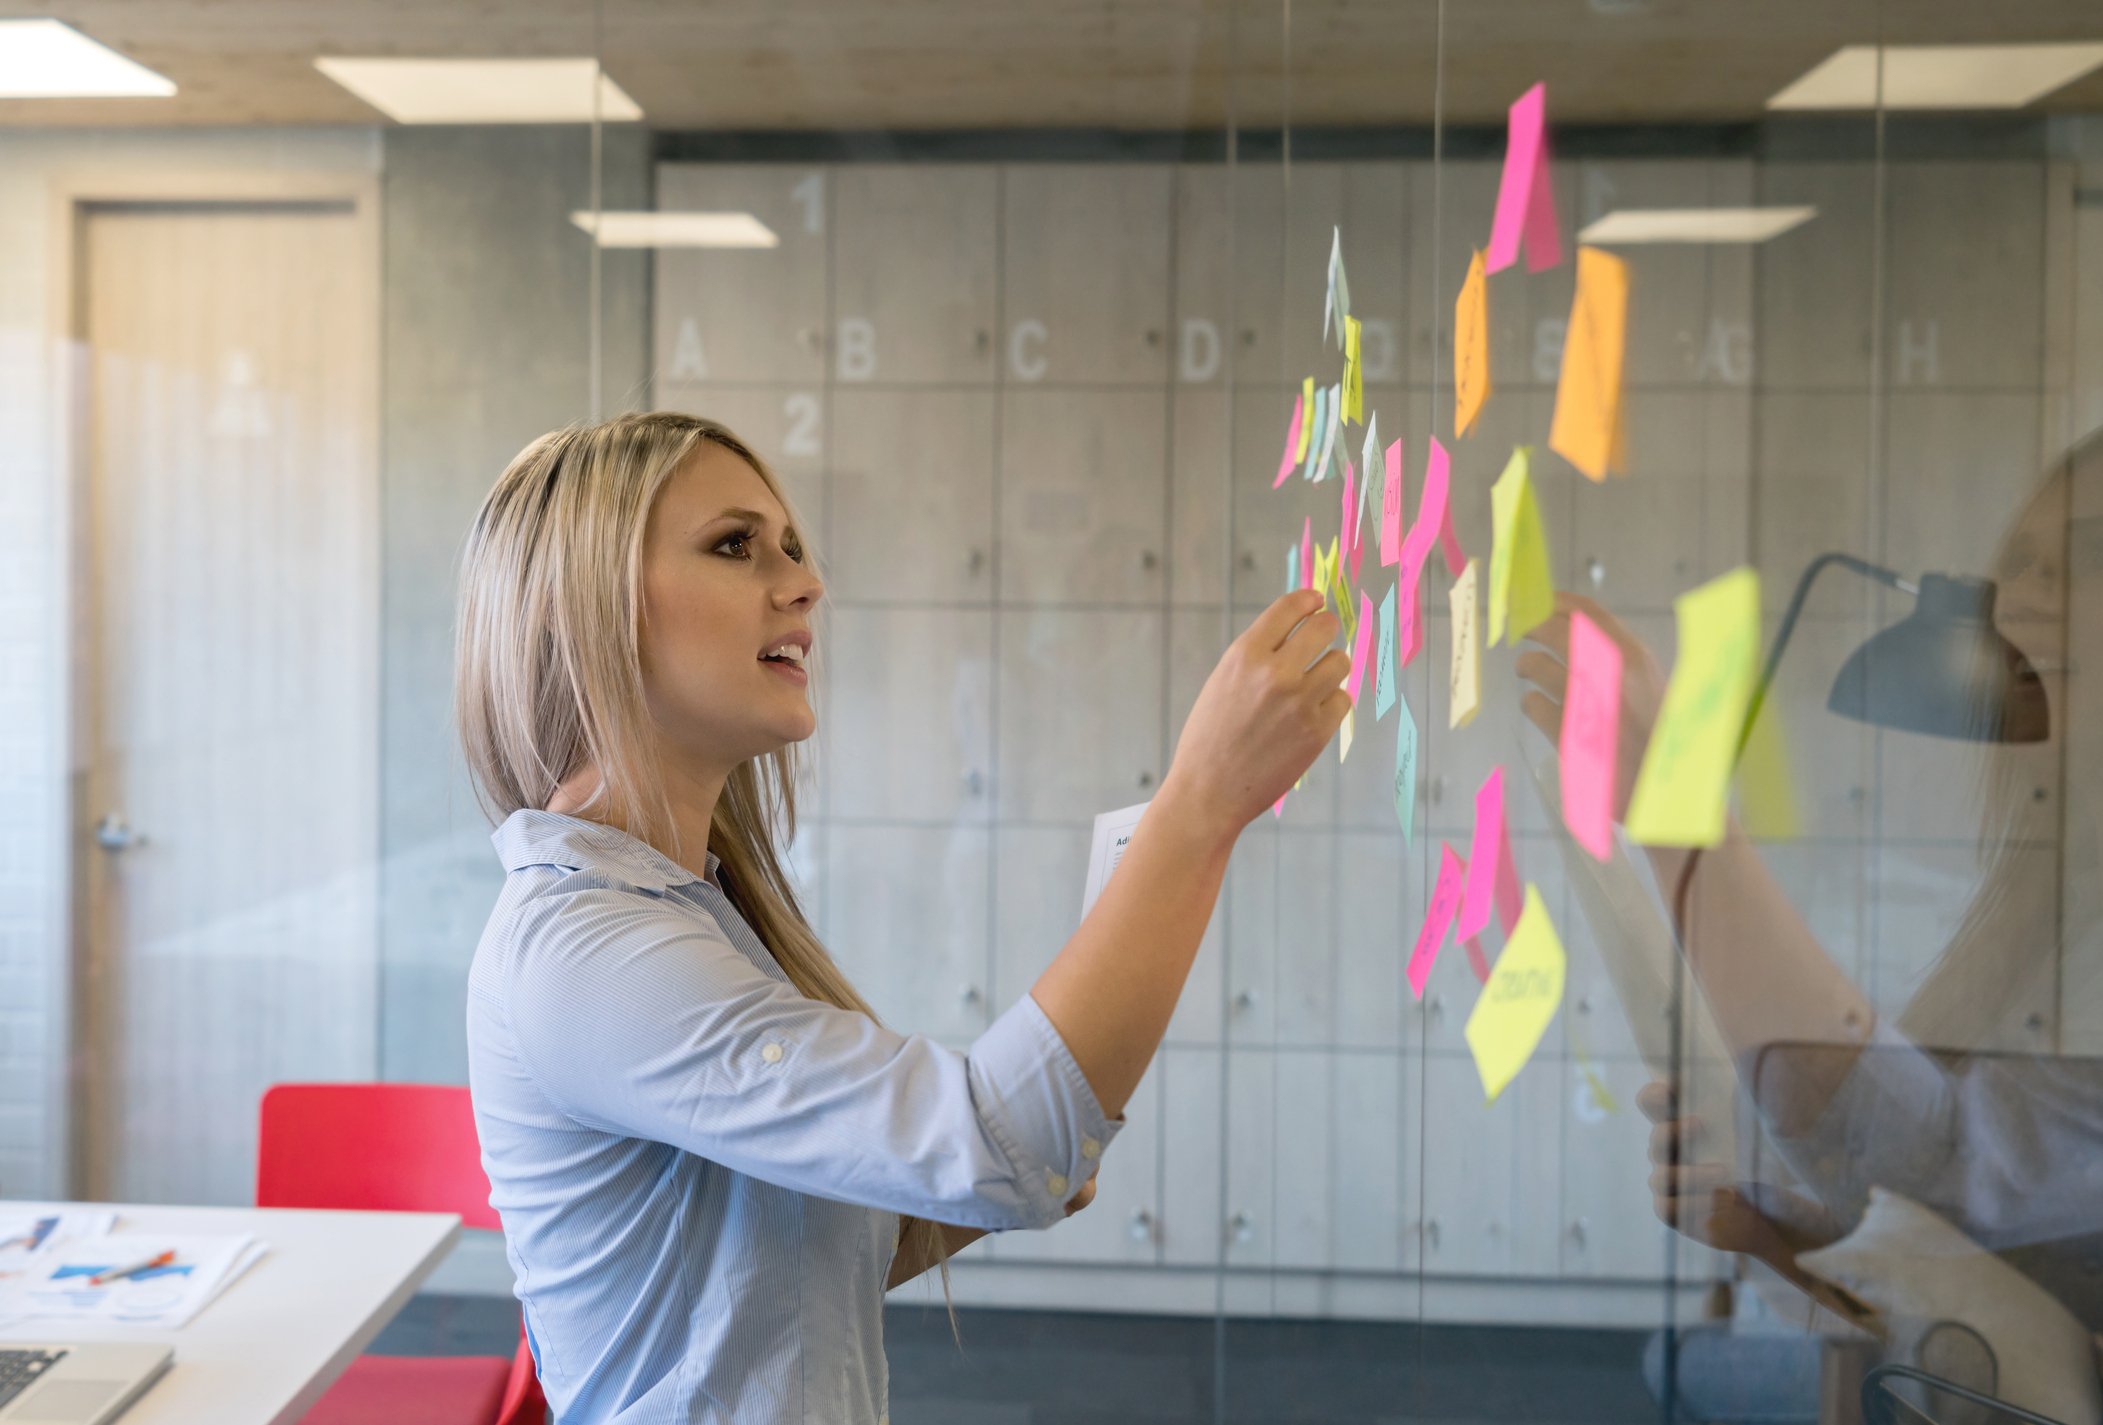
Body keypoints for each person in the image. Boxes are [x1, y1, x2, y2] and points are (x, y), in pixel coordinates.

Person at [453, 410, 1350, 1424]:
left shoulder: (677, 910)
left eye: (792, 547)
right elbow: (1000, 1143)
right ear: (585, 609)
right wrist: (1203, 805)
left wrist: (981, 1173)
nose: (804, 583)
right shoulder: (592, 954)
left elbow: (773, 1276)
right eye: (736, 545)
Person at [1513, 427, 2103, 1330]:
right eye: (2018, 561)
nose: (2025, 592)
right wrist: (1768, 1215)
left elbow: (1937, 1169)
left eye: (2085, 557)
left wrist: (1678, 811)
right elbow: (1949, 1238)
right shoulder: (2047, 895)